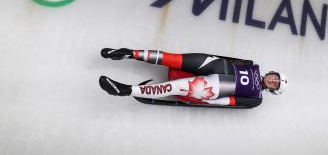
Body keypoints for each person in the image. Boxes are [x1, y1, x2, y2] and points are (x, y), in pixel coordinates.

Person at [98, 47, 288, 108]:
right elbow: (233, 61)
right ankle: (128, 53)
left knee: (174, 87)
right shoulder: (253, 65)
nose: (272, 80)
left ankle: (126, 90)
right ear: (272, 73)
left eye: (275, 83)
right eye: (275, 77)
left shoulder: (256, 99)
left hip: (216, 87)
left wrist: (209, 102)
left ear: (272, 89)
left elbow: (231, 102)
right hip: (216, 64)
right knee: (173, 59)